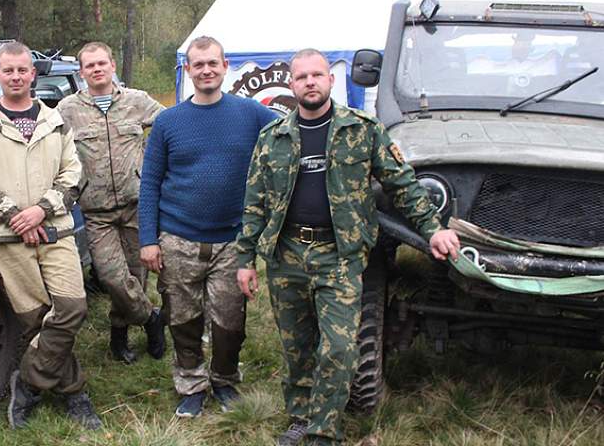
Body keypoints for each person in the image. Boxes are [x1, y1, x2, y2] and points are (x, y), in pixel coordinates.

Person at [235, 48, 460, 446]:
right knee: (297, 345)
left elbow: (402, 184)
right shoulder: (274, 138)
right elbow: (255, 200)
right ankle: (302, 418)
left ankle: (325, 430)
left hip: (339, 254)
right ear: (292, 85)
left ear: (330, 80)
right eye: (302, 77)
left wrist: (433, 229)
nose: (310, 82)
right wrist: (245, 258)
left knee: (338, 347)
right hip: (287, 255)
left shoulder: (362, 129)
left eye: (317, 75)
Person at [0, 41, 101, 431]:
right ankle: (74, 393)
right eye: (9, 70)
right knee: (37, 319)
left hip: (54, 229)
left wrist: (41, 209)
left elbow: (74, 175)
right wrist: (15, 215)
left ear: (32, 74)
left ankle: (29, 383)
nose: (16, 76)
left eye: (23, 70)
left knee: (71, 308)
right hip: (6, 237)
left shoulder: (56, 121)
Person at [138, 35, 278, 418]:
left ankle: (225, 380)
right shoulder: (168, 121)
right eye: (198, 64)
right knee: (183, 319)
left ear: (225, 65)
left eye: (212, 63)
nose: (206, 70)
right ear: (188, 69)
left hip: (232, 240)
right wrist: (148, 239)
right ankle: (191, 385)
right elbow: (150, 182)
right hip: (178, 238)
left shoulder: (251, 114)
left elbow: (293, 132)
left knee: (230, 321)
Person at [57, 41, 167, 364]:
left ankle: (119, 338)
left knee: (136, 274)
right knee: (112, 278)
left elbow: (170, 129)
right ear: (81, 72)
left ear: (113, 65)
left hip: (138, 205)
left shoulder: (137, 101)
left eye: (101, 63)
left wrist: (154, 168)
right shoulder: (67, 110)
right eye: (89, 65)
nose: (96, 69)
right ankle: (151, 319)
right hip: (96, 211)